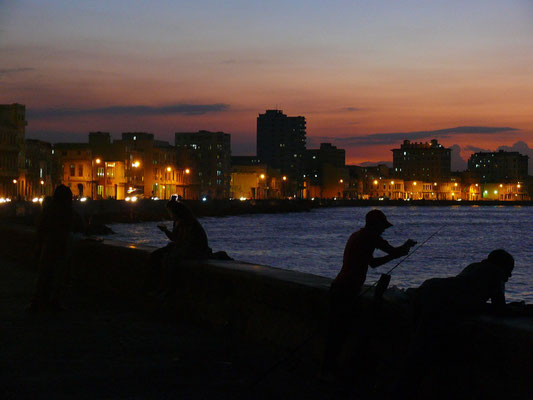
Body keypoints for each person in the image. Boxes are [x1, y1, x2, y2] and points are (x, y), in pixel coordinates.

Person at [395, 249, 515, 399]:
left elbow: (469, 296)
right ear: (502, 265)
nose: (509, 276)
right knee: (424, 357)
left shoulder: (474, 266)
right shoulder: (496, 273)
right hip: (441, 305)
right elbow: (499, 308)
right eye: (509, 270)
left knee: (416, 355)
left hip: (429, 291)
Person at [321, 209, 417, 378]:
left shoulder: (358, 236)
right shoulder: (370, 237)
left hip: (341, 287)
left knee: (337, 332)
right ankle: (336, 370)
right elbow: (391, 252)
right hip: (347, 289)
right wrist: (405, 247)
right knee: (343, 331)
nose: (384, 230)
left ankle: (330, 367)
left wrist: (397, 254)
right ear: (376, 225)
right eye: (382, 226)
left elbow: (372, 262)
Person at [28, 185, 81, 312]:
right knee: (59, 275)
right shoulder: (67, 211)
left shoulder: (49, 210)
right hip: (61, 245)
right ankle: (54, 302)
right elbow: (78, 224)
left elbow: (40, 226)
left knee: (44, 275)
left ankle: (38, 302)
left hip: (48, 245)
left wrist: (38, 245)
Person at [147, 197, 210, 297]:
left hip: (195, 250)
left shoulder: (189, 223)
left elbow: (187, 242)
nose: (170, 214)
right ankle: (159, 286)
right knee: (156, 255)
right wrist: (166, 231)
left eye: (170, 212)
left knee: (169, 260)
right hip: (184, 248)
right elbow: (176, 238)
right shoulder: (177, 222)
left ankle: (167, 288)